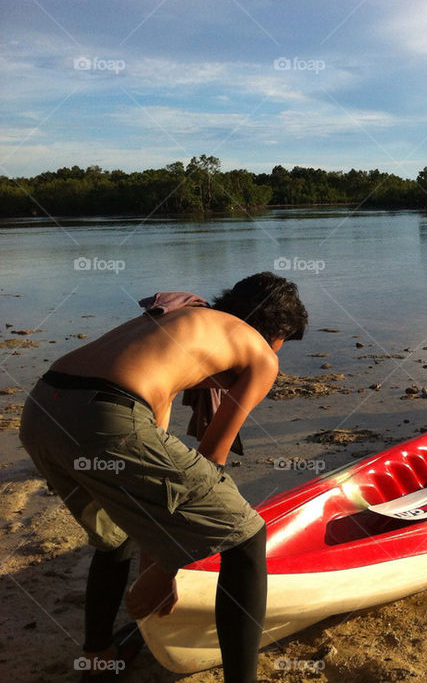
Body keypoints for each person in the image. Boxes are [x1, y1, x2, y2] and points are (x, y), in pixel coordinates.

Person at [19, 272, 308, 683]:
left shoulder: (179, 322)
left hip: (42, 410)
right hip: (107, 414)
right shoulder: (261, 353)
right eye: (281, 344)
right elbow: (210, 460)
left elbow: (151, 487)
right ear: (275, 331)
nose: (276, 353)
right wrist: (170, 568)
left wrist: (157, 565)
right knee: (244, 537)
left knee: (117, 534)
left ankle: (99, 658)